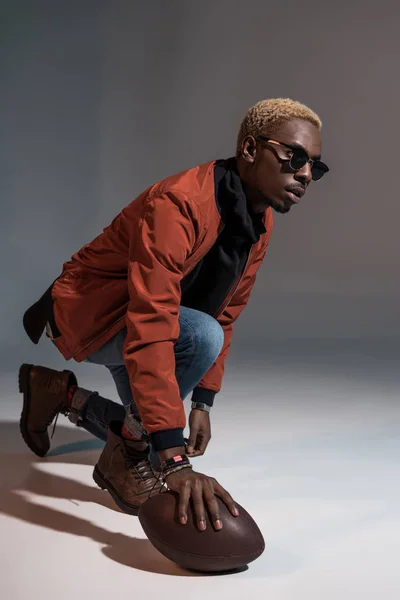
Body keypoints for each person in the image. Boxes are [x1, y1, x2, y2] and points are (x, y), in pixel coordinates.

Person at [19, 98, 329, 532]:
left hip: (143, 323)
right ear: (249, 149)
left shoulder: (258, 224)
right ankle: (124, 452)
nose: (306, 174)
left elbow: (228, 312)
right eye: (294, 157)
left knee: (146, 429)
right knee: (182, 374)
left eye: (316, 165)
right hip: (87, 314)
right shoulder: (180, 203)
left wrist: (203, 400)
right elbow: (153, 320)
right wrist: (175, 461)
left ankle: (61, 394)